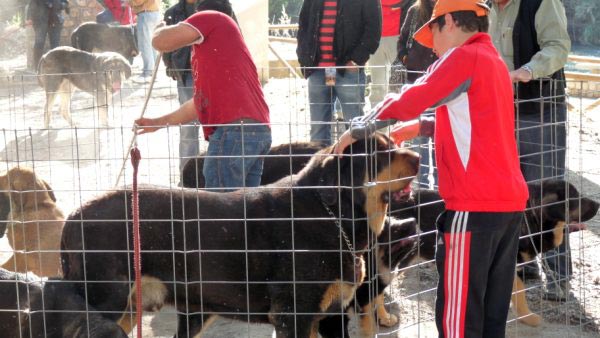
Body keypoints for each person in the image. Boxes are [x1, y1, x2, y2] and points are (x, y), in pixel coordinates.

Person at [335, 1, 529, 336]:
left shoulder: (463, 56)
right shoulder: (493, 60)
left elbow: (414, 96)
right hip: (508, 204)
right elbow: (472, 117)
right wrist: (417, 129)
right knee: (490, 315)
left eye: (433, 32)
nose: (433, 45)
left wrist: (360, 127)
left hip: (474, 204)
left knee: (459, 317)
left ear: (450, 22)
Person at [135, 10, 272, 191]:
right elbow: (198, 104)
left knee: (219, 207)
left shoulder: (209, 18)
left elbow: (162, 41)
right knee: (243, 210)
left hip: (234, 131)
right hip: (257, 130)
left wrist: (158, 29)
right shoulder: (220, 50)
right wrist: (158, 123)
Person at [490, 0, 571, 301]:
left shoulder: (542, 2)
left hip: (540, 113)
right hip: (499, 112)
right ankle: (523, 267)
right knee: (509, 193)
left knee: (548, 193)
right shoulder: (484, 7)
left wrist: (528, 70)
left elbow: (558, 47)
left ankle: (558, 275)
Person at [296, 0, 381, 146]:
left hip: (348, 70)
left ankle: (356, 167)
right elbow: (303, 25)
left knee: (355, 129)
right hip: (318, 70)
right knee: (318, 130)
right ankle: (321, 167)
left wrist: (357, 59)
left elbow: (373, 28)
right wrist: (304, 59)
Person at [396, 0, 438, 188]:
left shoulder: (451, 9)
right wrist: (406, 57)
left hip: (442, 84)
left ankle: (440, 187)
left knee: (441, 141)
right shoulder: (414, 11)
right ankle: (421, 187)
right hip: (416, 82)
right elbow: (402, 40)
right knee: (419, 141)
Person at [368, 0, 414, 106]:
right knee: (390, 80)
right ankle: (380, 113)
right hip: (377, 37)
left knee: (395, 79)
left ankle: (390, 111)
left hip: (395, 38)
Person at [27, 0, 70, 71]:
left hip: (55, 21)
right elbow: (32, 3)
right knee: (39, 44)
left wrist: (60, 5)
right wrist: (29, 18)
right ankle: (37, 68)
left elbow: (65, 3)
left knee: (55, 47)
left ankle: (56, 69)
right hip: (40, 21)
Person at [129, 0, 161, 81]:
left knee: (144, 45)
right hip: (153, 13)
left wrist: (129, 2)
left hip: (146, 14)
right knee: (152, 44)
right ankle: (153, 72)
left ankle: (148, 73)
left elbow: (138, 1)